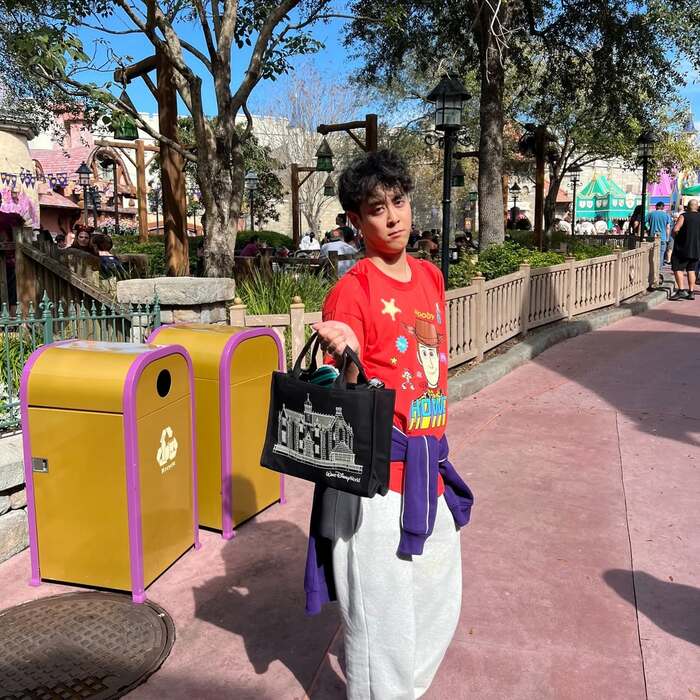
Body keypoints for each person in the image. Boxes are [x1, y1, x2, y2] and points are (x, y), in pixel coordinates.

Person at [309, 150, 473, 699]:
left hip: (429, 468)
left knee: (437, 598)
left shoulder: (430, 277)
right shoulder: (352, 290)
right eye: (377, 209)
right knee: (379, 621)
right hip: (375, 478)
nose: (393, 217)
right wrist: (345, 353)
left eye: (398, 202)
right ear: (357, 221)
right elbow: (338, 388)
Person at [669, 199, 700, 300]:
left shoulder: (684, 216)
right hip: (696, 249)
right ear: (697, 207)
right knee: (691, 269)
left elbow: (676, 229)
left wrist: (678, 236)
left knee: (677, 268)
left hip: (683, 248)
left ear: (687, 207)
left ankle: (681, 290)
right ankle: (691, 292)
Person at [646, 202, 672, 269]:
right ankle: (658, 270)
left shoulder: (650, 214)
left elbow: (643, 223)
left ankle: (651, 268)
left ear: (656, 206)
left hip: (652, 237)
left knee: (651, 254)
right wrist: (667, 238)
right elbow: (668, 227)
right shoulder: (666, 215)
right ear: (663, 207)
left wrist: (647, 229)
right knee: (661, 254)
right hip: (663, 238)